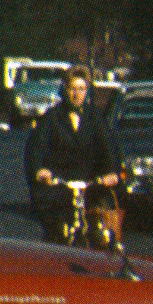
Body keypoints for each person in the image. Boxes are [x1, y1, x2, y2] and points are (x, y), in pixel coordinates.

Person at [23, 67, 125, 248]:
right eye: (72, 89)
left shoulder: (96, 117)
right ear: (65, 89)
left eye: (81, 89)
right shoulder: (52, 117)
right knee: (58, 232)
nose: (77, 94)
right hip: (60, 185)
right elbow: (35, 148)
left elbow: (109, 147)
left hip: (91, 184)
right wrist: (40, 170)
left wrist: (112, 172)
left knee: (102, 231)